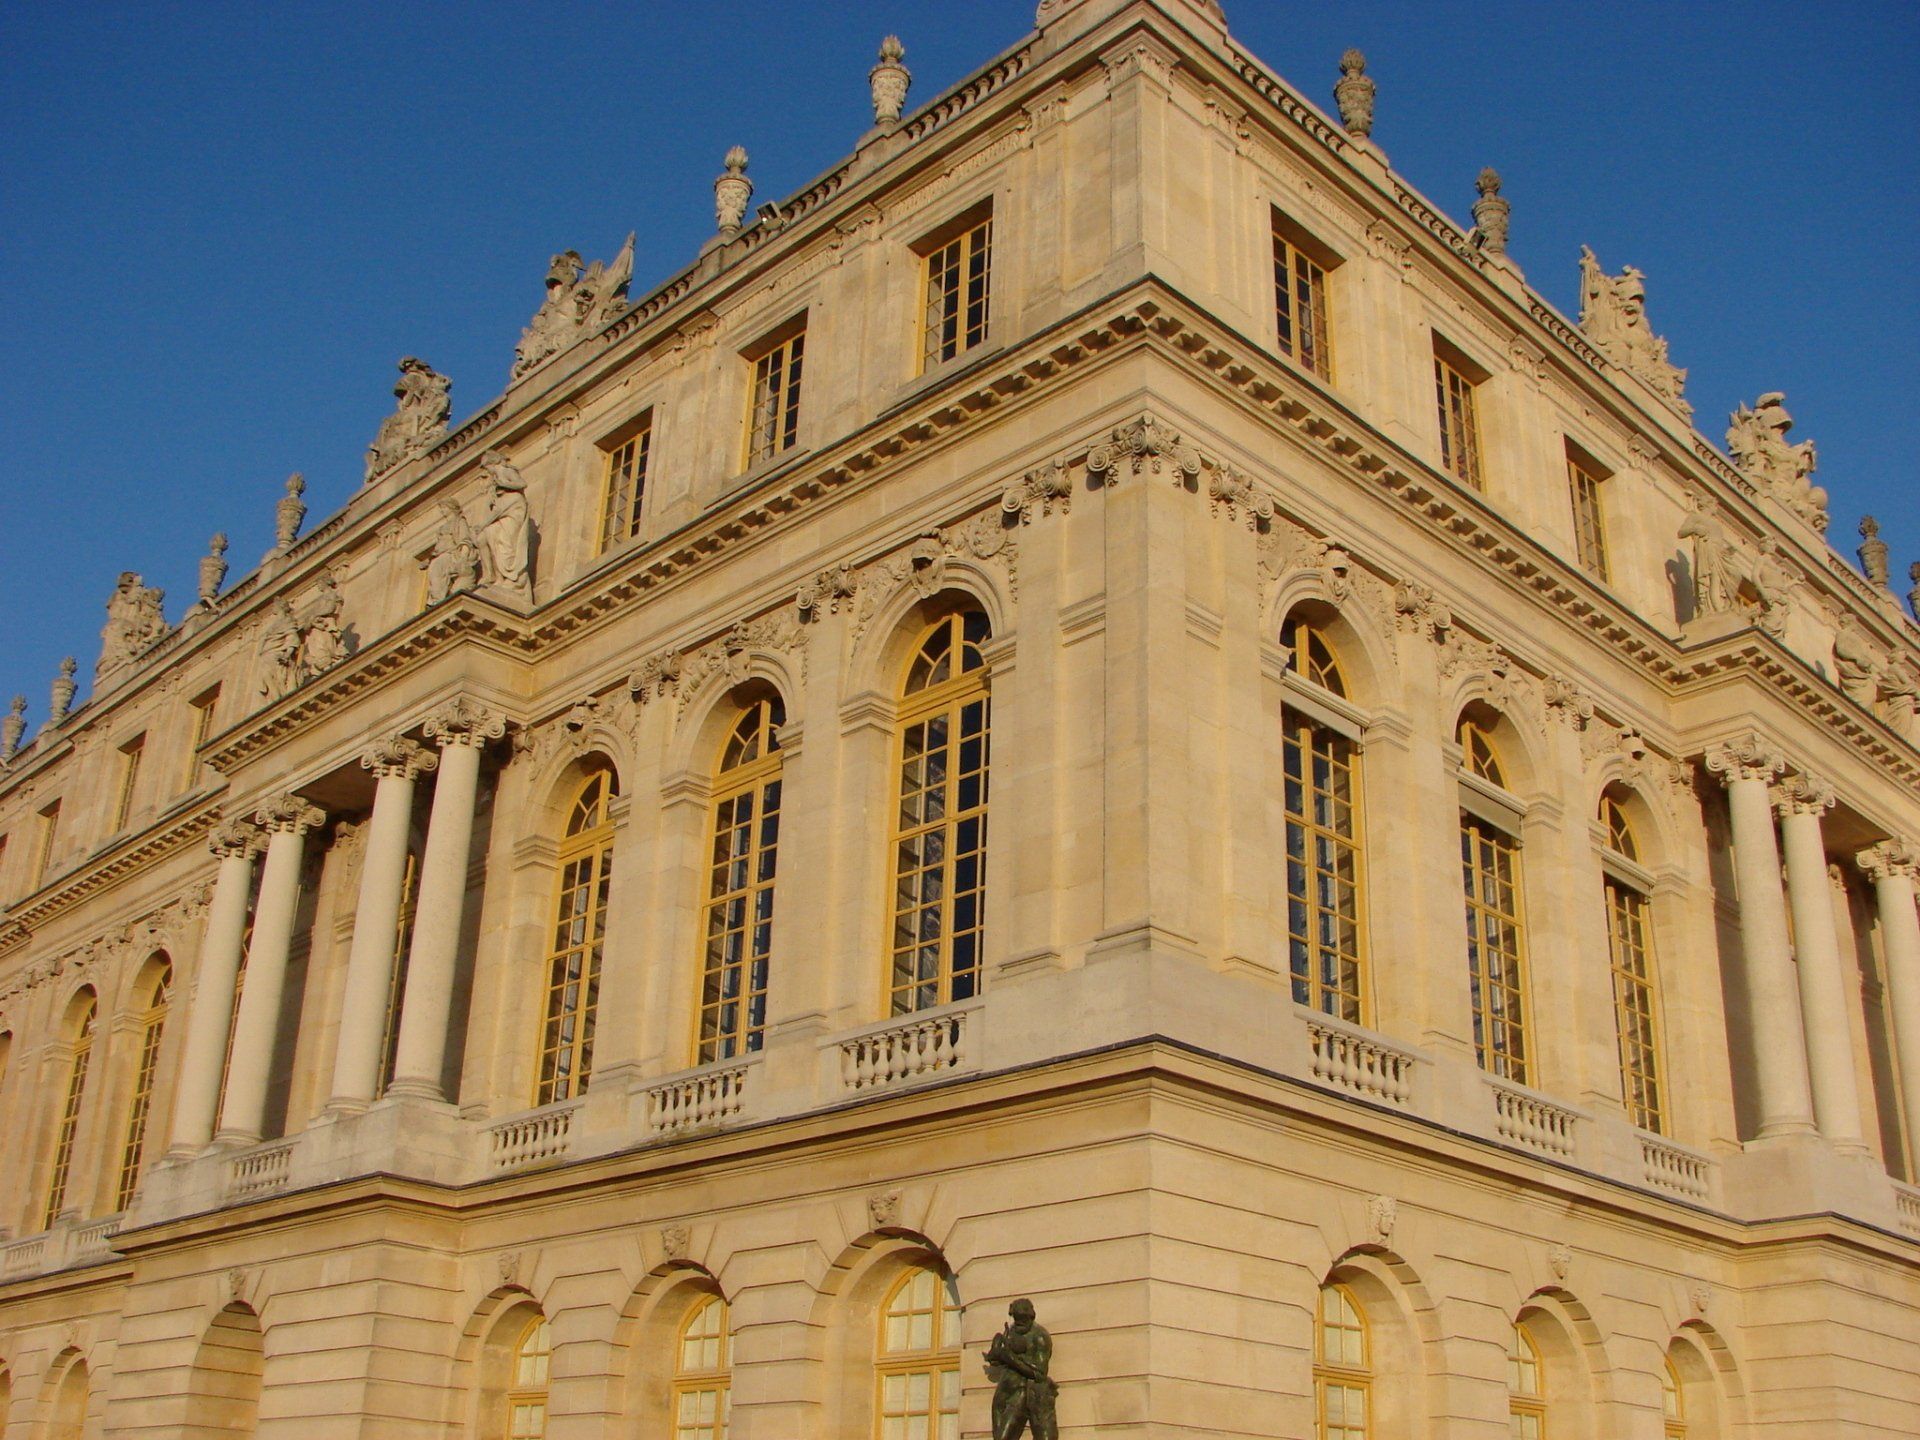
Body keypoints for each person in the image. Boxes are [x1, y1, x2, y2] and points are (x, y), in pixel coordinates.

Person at [986, 1298, 1058, 1440]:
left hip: (1022, 1391)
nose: (1019, 1323)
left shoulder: (1040, 1336)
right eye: (1016, 1319)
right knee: (998, 1436)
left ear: (1031, 1316)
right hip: (1004, 1389)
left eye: (1023, 1320)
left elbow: (1040, 1373)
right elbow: (1002, 1357)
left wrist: (1008, 1358)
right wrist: (996, 1354)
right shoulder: (1012, 1330)